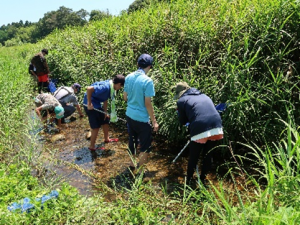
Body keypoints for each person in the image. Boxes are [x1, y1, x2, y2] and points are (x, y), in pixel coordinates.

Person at [174, 82, 224, 185]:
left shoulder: (181, 101)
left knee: (194, 156)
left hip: (200, 127)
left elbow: (183, 121)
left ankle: (188, 182)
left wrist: (180, 113)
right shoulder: (204, 95)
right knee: (208, 155)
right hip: (217, 127)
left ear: (180, 93)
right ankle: (202, 180)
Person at [123, 53, 159, 172]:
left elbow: (125, 97)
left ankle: (132, 165)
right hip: (142, 119)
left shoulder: (128, 77)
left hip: (129, 115)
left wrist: (133, 102)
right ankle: (140, 171)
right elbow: (148, 103)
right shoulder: (147, 81)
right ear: (149, 66)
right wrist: (154, 121)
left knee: (132, 140)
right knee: (145, 145)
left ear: (138, 64)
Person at [83, 75, 125, 151]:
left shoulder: (111, 87)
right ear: (119, 84)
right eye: (121, 87)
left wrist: (105, 112)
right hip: (90, 105)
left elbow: (105, 98)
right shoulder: (106, 87)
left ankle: (107, 139)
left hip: (97, 103)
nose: (120, 88)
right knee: (96, 126)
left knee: (105, 120)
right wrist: (89, 103)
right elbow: (89, 89)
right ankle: (92, 146)